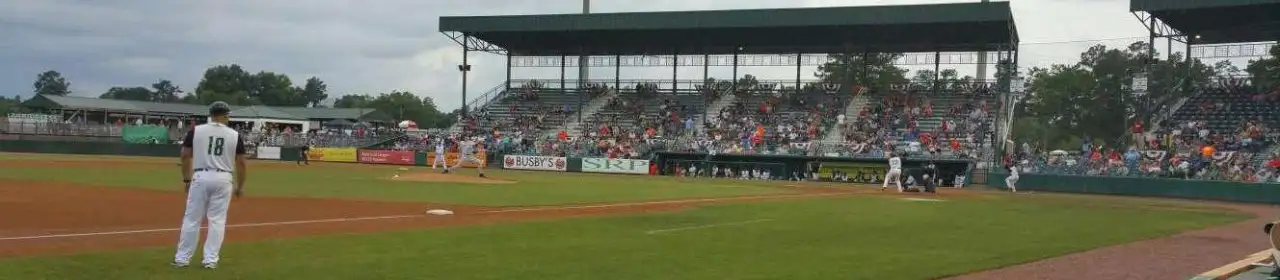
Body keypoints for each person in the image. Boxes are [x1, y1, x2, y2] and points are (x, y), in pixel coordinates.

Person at [173, 101, 248, 269]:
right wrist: (240, 186)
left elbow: (185, 155)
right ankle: (210, 260)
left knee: (192, 219)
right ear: (225, 115)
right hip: (223, 178)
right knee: (217, 221)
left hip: (200, 175)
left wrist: (186, 179)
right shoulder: (234, 135)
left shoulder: (196, 131)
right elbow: (241, 162)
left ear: (211, 115)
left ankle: (182, 259)